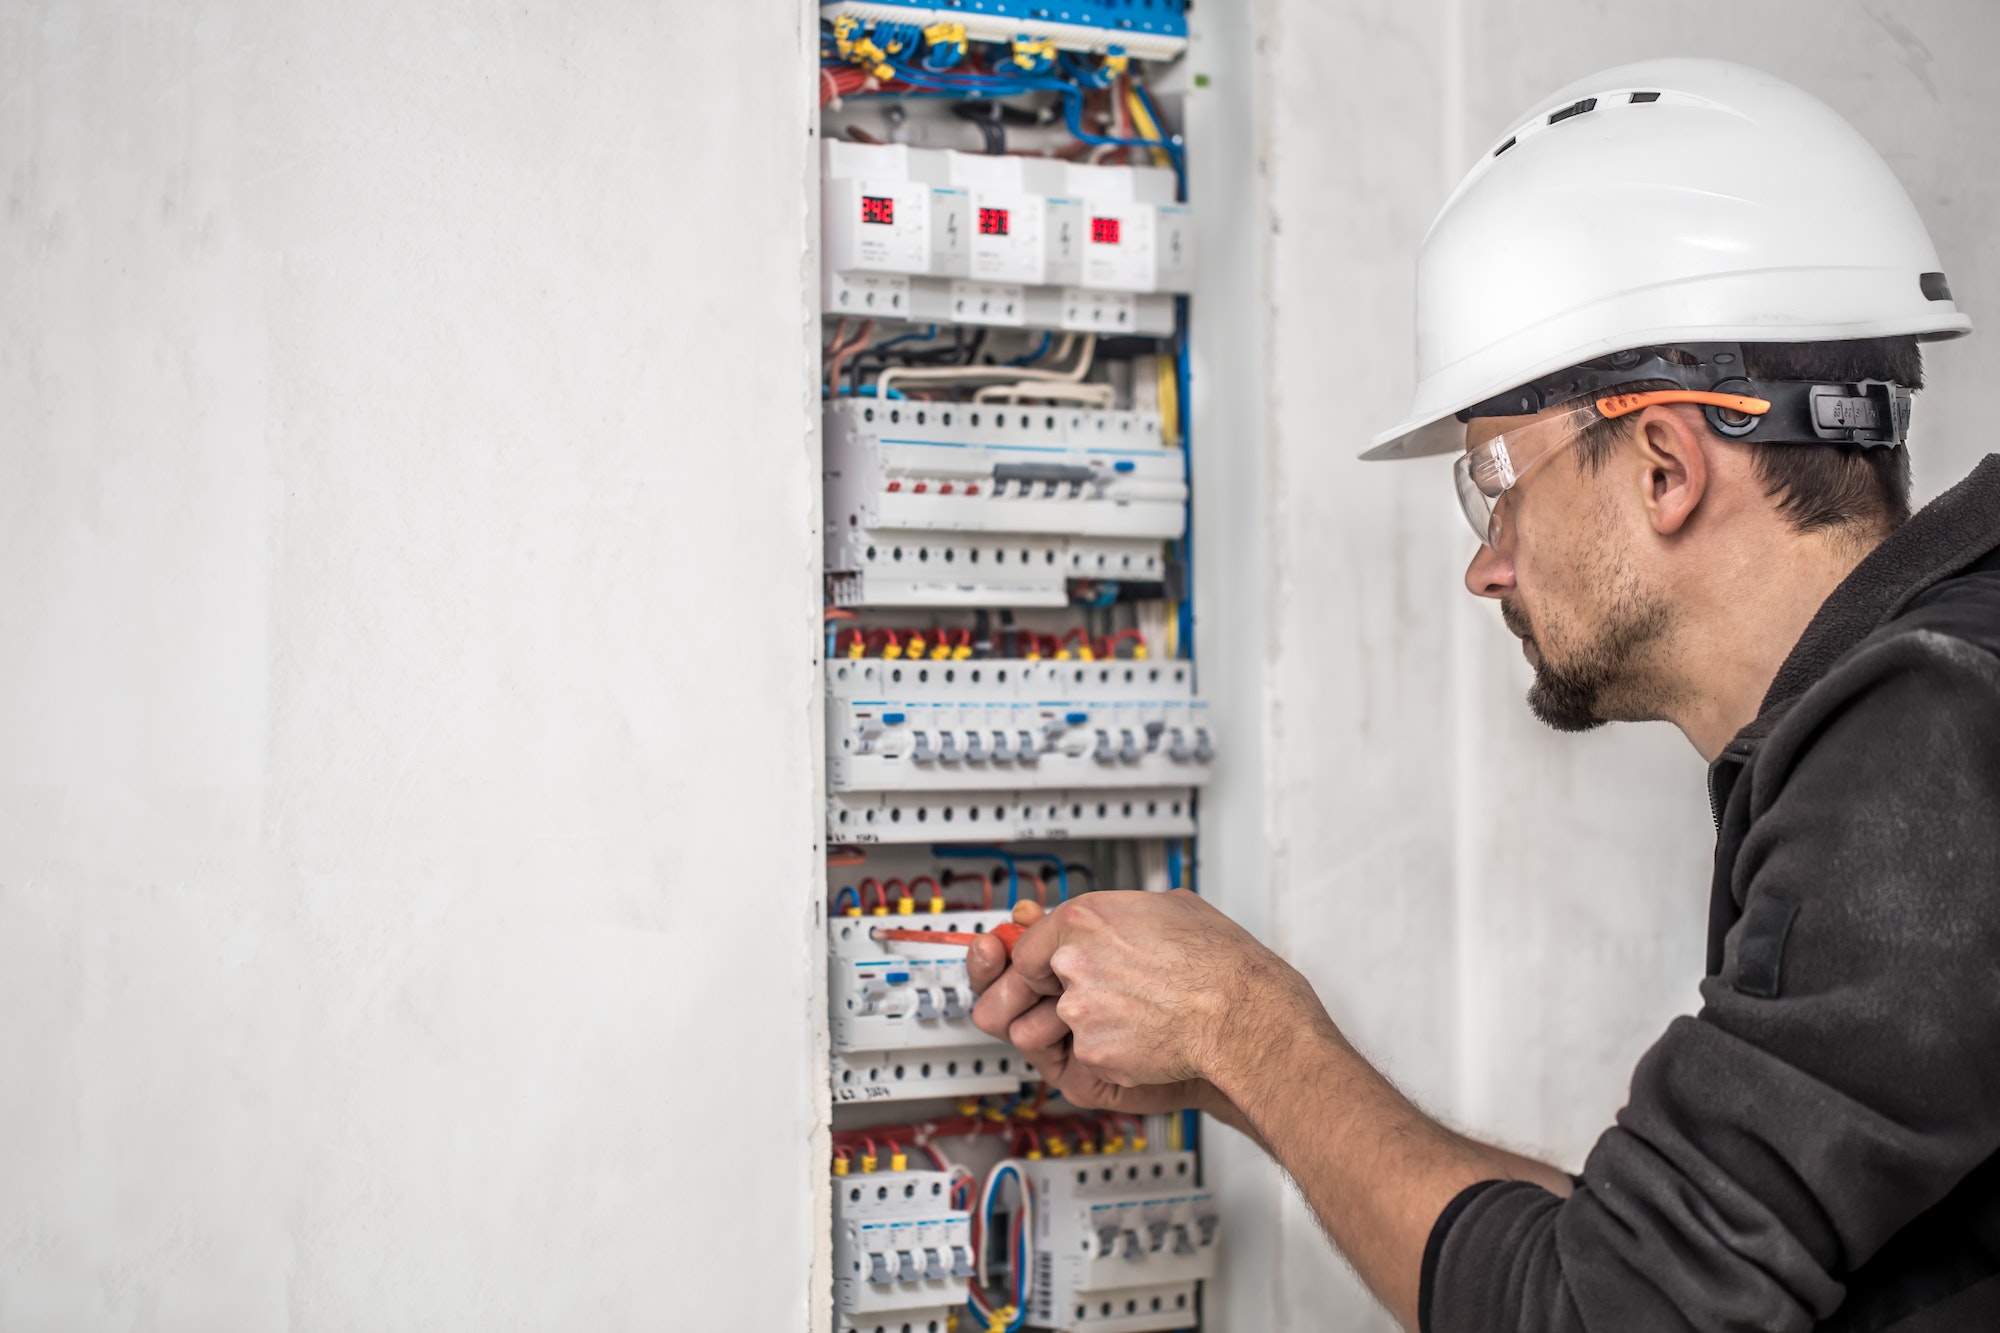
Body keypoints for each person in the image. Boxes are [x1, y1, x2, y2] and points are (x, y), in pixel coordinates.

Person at [966, 58, 2000, 1333]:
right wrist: (1215, 1059)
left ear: (1666, 463)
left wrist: (1253, 1029)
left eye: (1494, 484)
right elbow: (1661, 1266)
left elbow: (1608, 1316)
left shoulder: (1921, 748)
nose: (1483, 561)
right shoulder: (1930, 712)